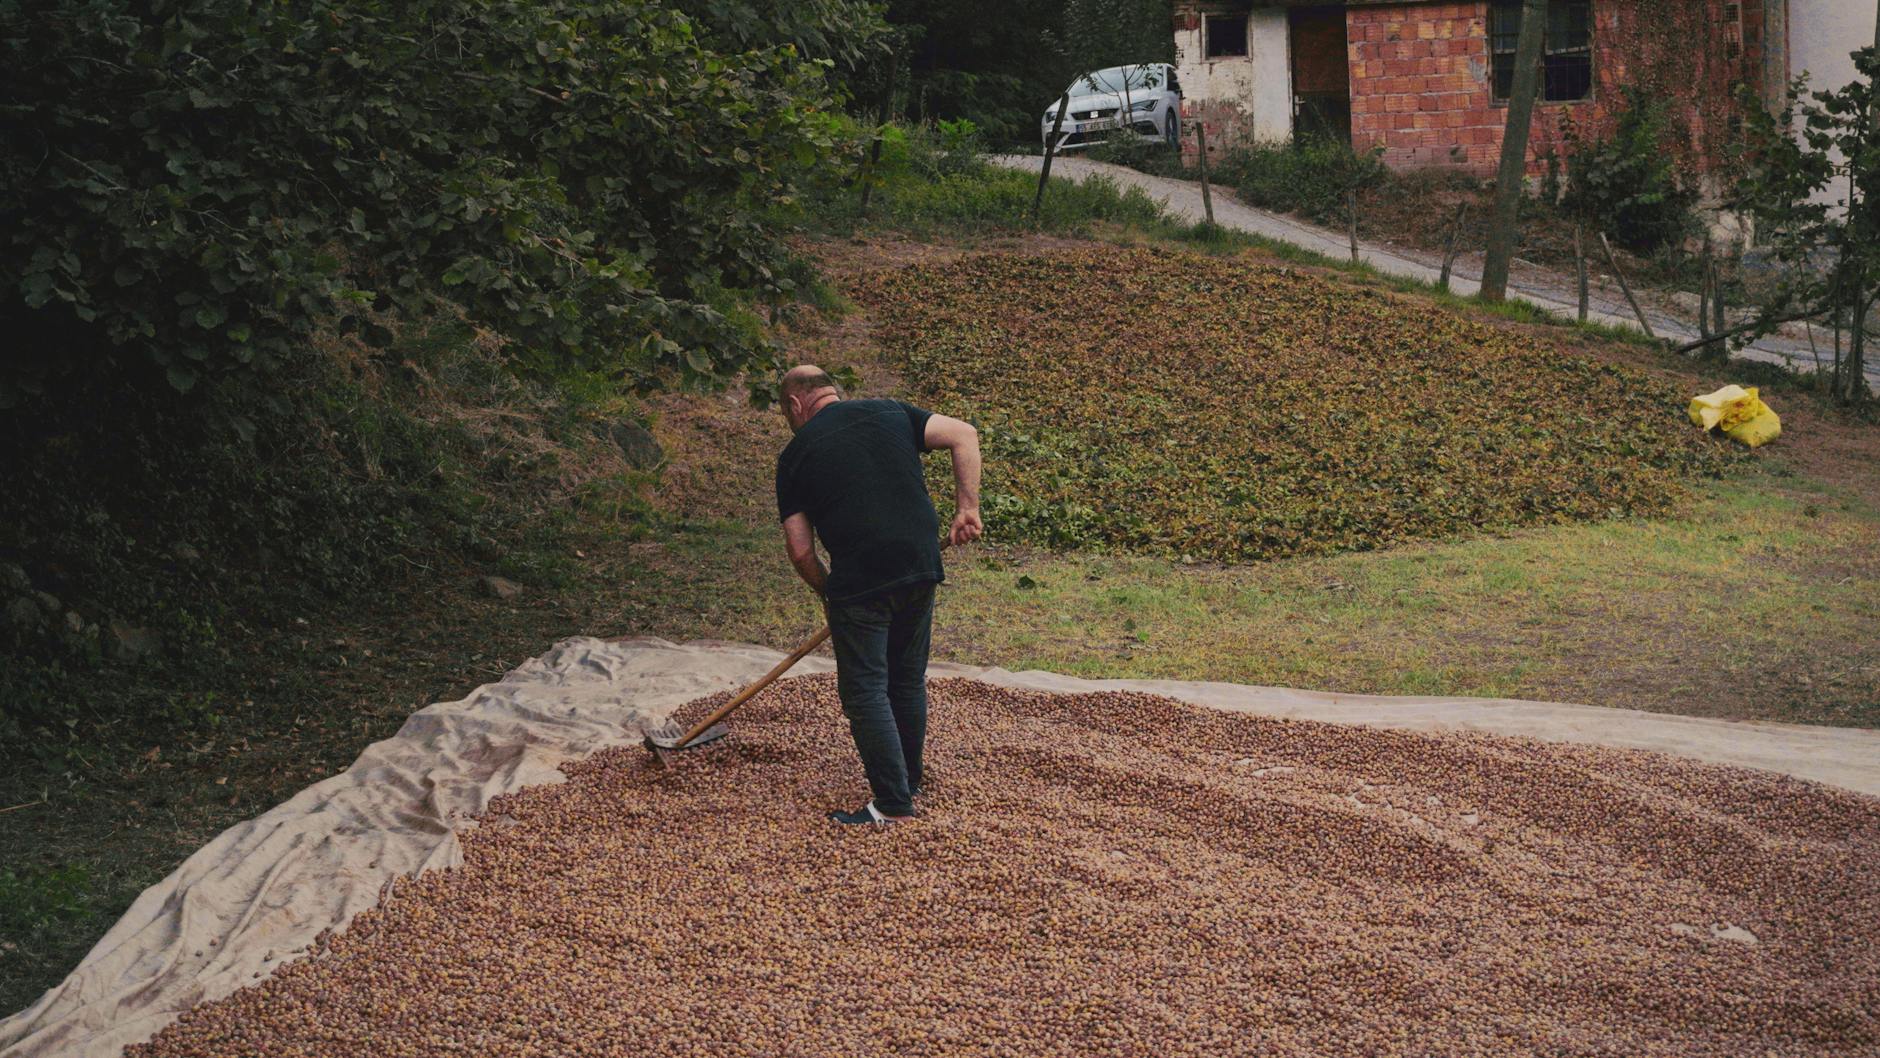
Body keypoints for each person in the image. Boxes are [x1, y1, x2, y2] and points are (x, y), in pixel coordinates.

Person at [773, 364, 982, 825]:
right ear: (833, 392)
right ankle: (909, 780)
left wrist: (830, 592)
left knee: (866, 689)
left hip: (861, 580)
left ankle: (891, 804)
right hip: (920, 565)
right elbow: (964, 434)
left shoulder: (794, 456)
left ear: (793, 405)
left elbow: (800, 550)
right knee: (905, 679)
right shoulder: (891, 412)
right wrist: (967, 509)